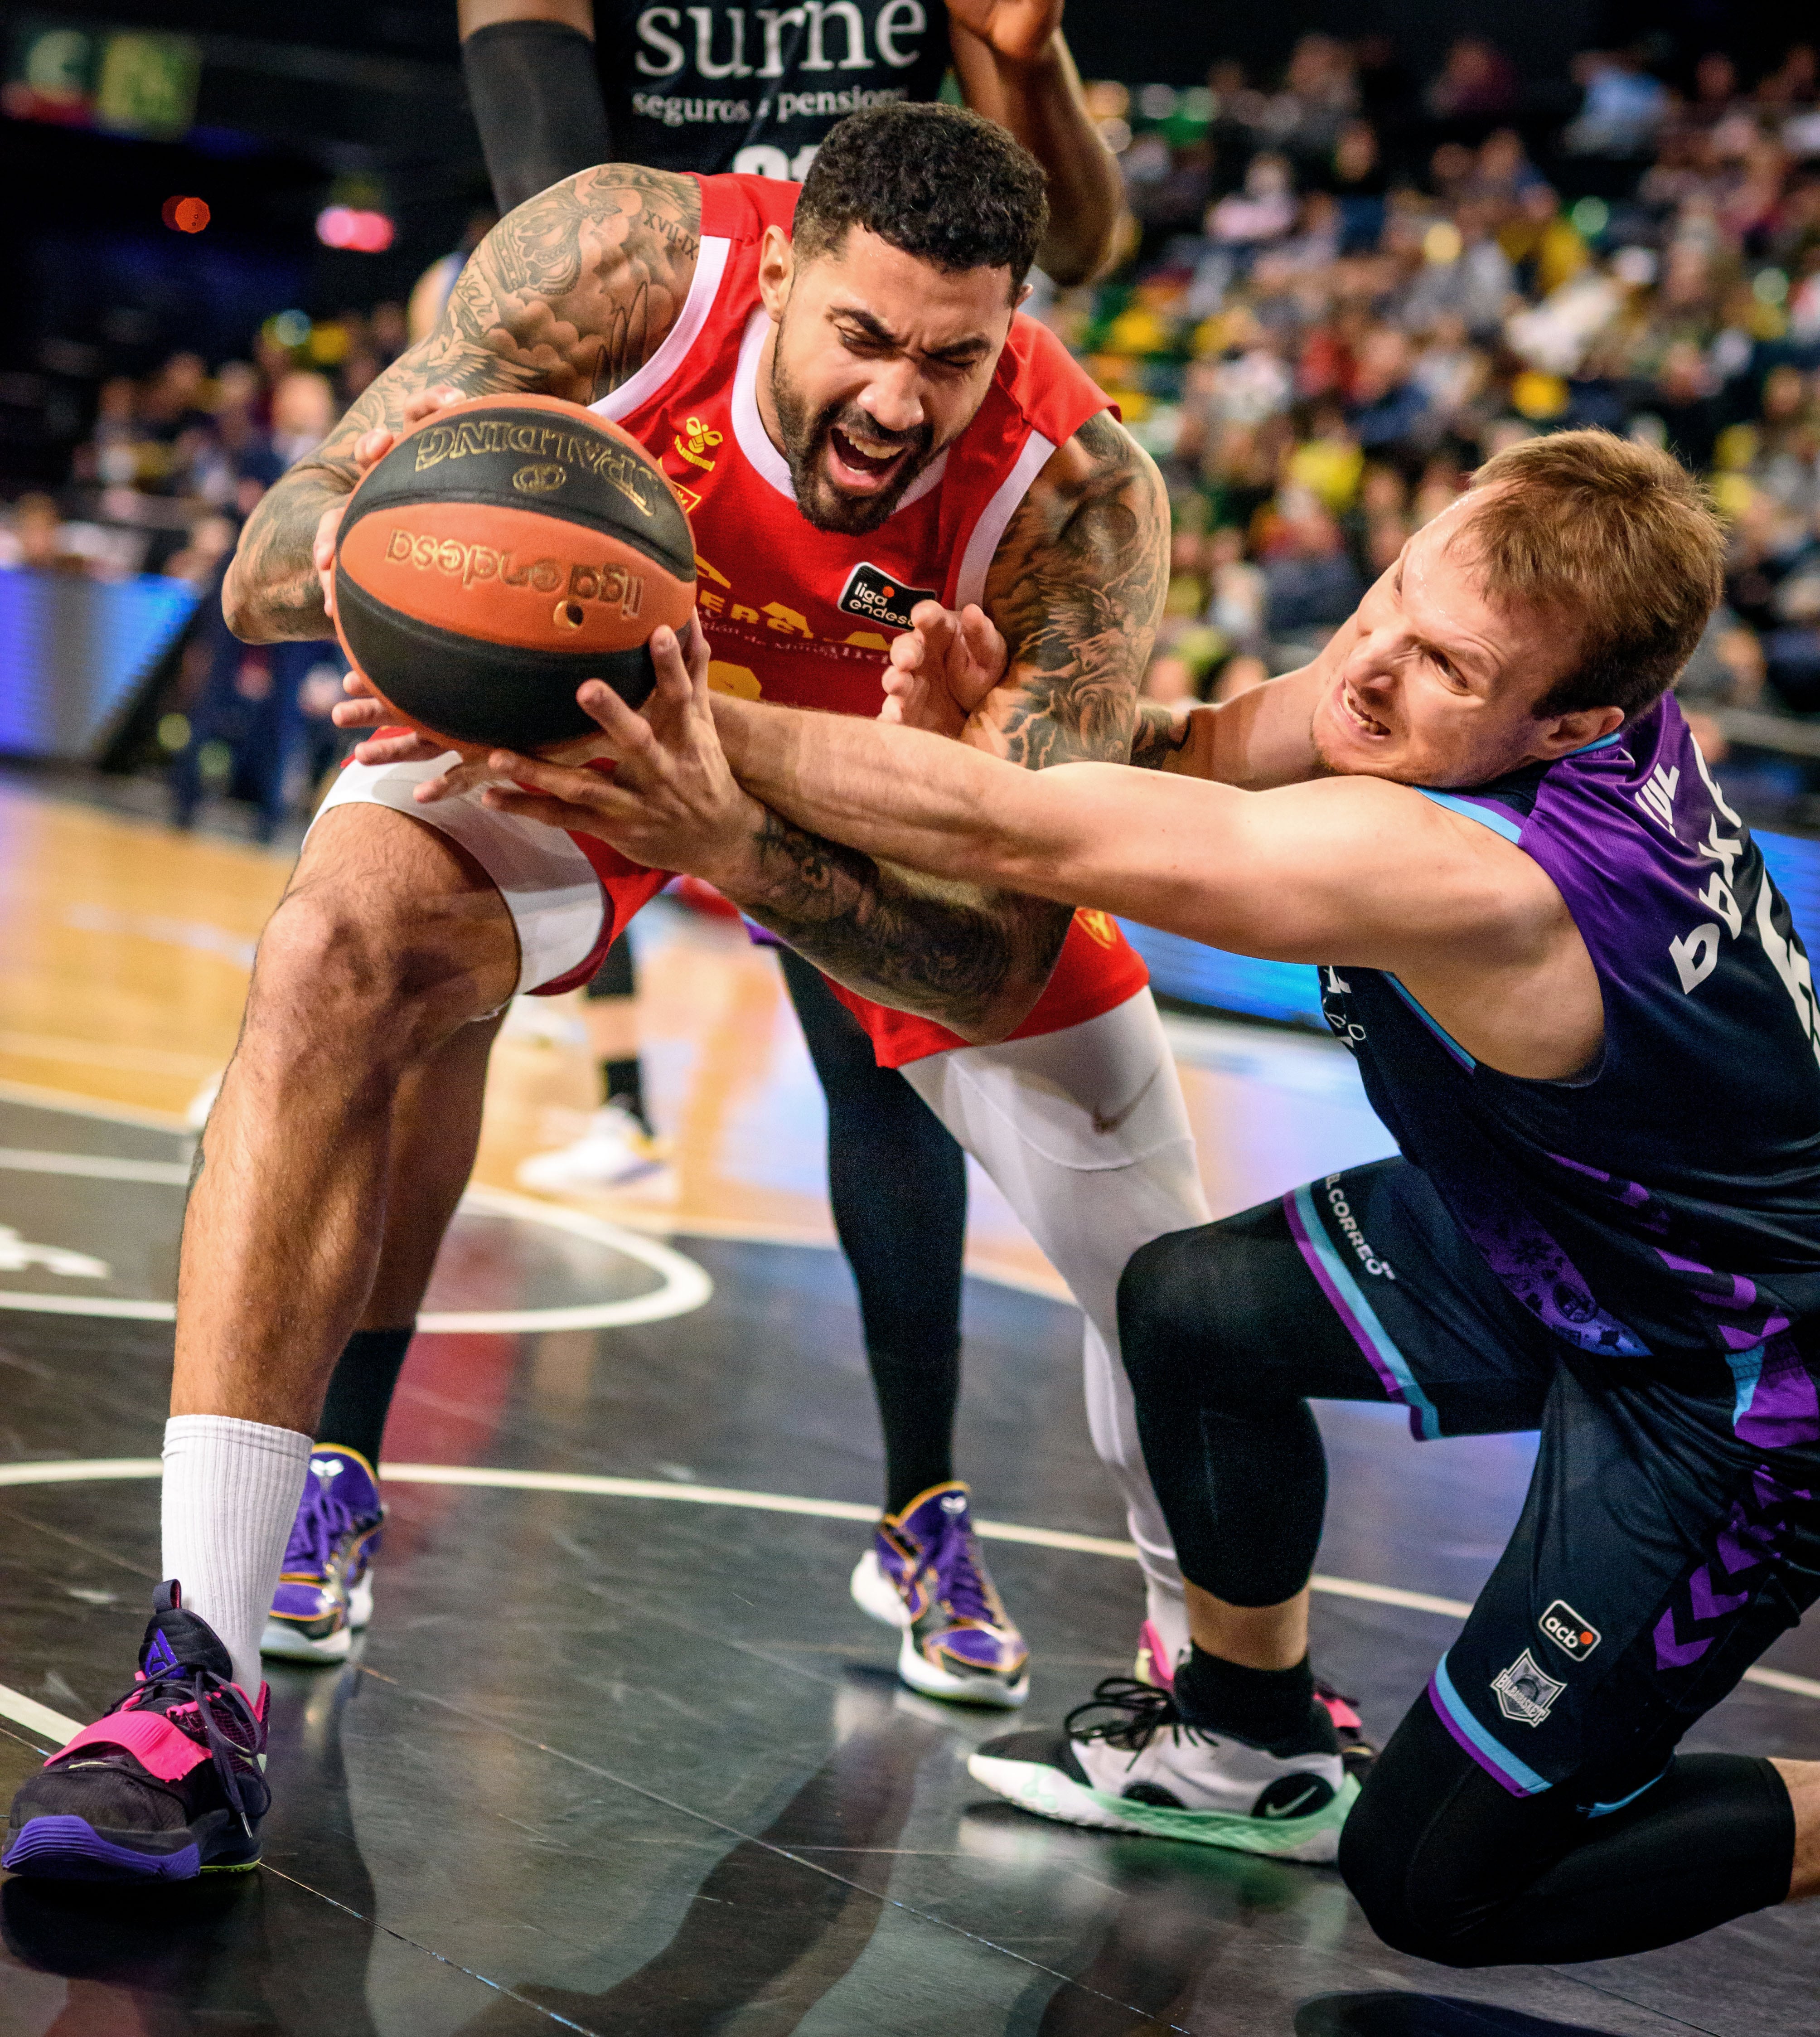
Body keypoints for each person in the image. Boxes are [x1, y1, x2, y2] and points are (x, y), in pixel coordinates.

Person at [1, 105, 1246, 1885]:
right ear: (781, 276)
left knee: (1168, 1268)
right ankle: (191, 1682)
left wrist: (727, 825)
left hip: (856, 807)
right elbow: (263, 569)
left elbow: (981, 947)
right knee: (333, 951)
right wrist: (383, 526)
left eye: (955, 359)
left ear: (1015, 335)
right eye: (864, 339)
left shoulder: (1078, 501)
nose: (901, 401)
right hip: (567, 719)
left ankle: (1219, 1696)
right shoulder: (621, 264)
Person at [414, 427, 1820, 1921]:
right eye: (1391, 594)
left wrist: (638, 711)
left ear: (1567, 725)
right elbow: (1192, 753)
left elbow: (1021, 832)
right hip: (1574, 1239)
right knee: (1194, 1310)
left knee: (1438, 1888)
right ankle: (1246, 1740)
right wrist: (992, 732)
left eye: (1447, 668)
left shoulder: (1490, 878)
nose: (1367, 669)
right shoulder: (1526, 700)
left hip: (1736, 1386)